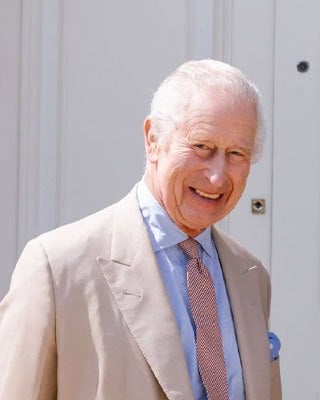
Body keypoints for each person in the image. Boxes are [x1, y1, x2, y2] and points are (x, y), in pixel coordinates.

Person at [0, 59, 281, 400]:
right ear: (153, 140)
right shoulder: (56, 268)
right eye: (202, 147)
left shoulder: (251, 276)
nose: (217, 176)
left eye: (236, 153)